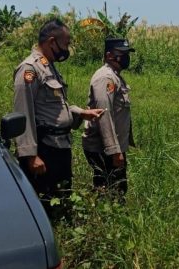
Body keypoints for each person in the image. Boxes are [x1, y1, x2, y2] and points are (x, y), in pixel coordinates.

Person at [13, 18, 103, 216]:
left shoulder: (49, 67)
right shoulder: (29, 69)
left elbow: (55, 107)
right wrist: (30, 156)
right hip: (44, 150)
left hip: (60, 145)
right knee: (44, 206)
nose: (67, 49)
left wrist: (81, 113)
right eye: (66, 43)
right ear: (52, 42)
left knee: (62, 201)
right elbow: (23, 112)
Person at [82, 38, 135, 196]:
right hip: (104, 148)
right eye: (122, 53)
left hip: (112, 147)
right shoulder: (105, 78)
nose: (126, 57)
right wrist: (114, 151)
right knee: (112, 191)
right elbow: (104, 115)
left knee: (114, 190)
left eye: (127, 53)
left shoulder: (114, 76)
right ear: (109, 55)